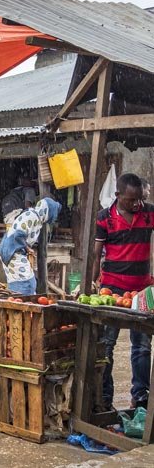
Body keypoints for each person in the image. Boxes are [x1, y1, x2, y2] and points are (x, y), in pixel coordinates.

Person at [93, 173, 154, 411]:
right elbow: (96, 254)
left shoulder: (149, 213)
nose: (136, 204)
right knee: (106, 344)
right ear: (118, 196)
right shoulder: (104, 218)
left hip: (142, 290)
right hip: (112, 289)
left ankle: (140, 397)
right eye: (131, 200)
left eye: (139, 199)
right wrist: (91, 283)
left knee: (142, 345)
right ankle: (105, 397)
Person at [0, 198, 61, 295]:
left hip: (10, 249)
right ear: (47, 212)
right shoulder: (33, 217)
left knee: (18, 282)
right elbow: (18, 235)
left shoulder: (35, 216)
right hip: (13, 251)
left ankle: (16, 304)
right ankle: (22, 306)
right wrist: (27, 248)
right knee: (27, 283)